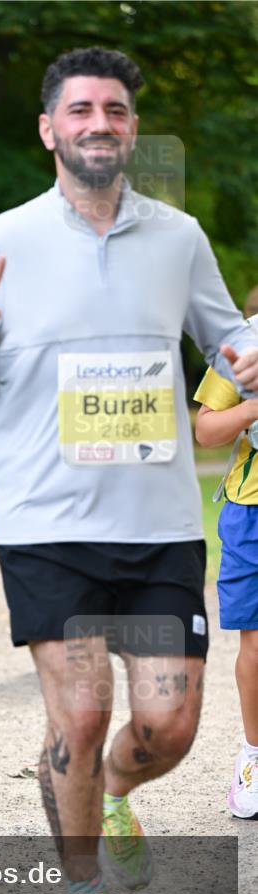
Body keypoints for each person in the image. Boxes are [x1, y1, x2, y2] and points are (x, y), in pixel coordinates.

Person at [0, 46, 258, 894]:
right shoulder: (4, 237)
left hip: (160, 526)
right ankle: (82, 892)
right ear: (50, 129)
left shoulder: (178, 237)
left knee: (171, 726)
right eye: (81, 110)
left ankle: (107, 793)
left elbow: (226, 341)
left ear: (131, 128)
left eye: (116, 111)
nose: (100, 123)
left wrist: (244, 354)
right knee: (83, 711)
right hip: (46, 524)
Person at [194, 308, 258, 821]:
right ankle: (254, 760)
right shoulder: (247, 340)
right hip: (252, 509)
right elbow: (208, 430)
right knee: (256, 642)